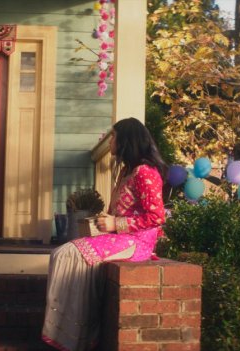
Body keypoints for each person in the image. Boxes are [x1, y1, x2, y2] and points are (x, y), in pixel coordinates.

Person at [42, 118, 167, 351]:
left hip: (137, 242)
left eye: (114, 136)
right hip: (122, 237)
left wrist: (116, 223)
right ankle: (72, 334)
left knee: (69, 255)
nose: (110, 141)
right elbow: (116, 214)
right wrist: (103, 222)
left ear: (126, 141)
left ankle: (74, 337)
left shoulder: (145, 173)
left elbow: (157, 217)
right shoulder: (127, 173)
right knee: (63, 254)